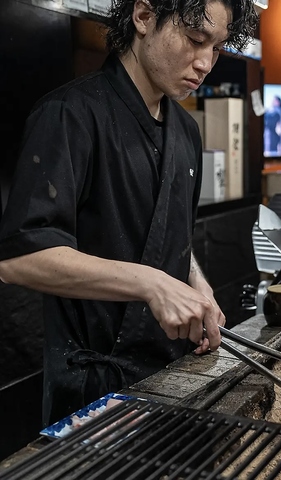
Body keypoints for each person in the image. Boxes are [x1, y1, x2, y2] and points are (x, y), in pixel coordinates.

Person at [0, 0, 258, 425]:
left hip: (170, 371)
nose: (205, 63)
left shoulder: (186, 132)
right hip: (93, 391)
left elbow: (171, 232)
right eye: (195, 39)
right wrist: (152, 283)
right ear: (143, 16)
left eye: (216, 47)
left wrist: (197, 284)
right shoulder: (70, 114)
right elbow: (20, 258)